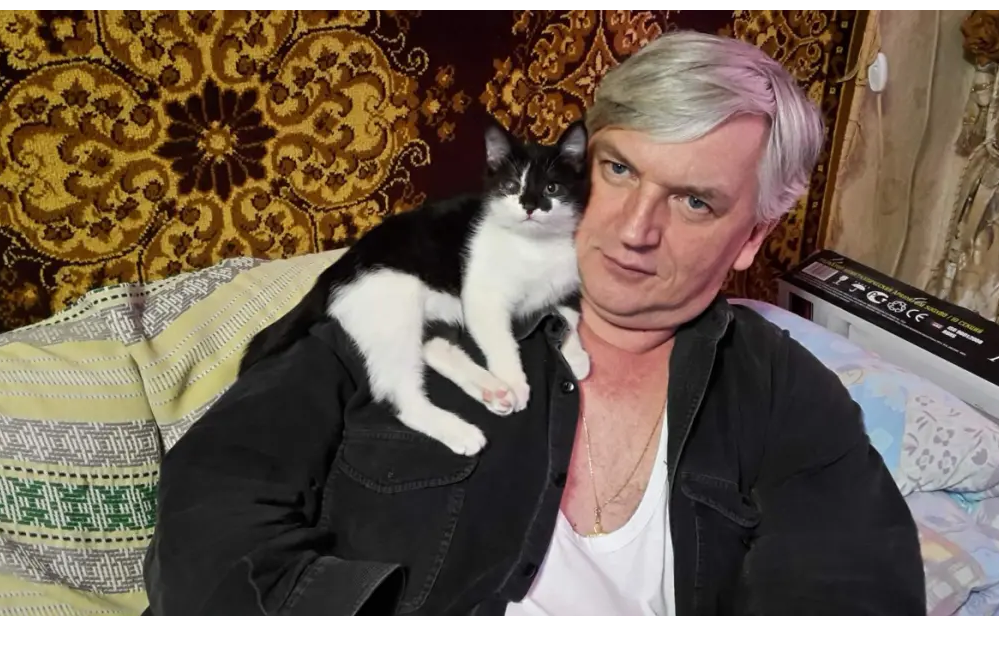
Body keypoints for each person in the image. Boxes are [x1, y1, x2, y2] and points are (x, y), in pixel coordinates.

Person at [143, 31, 926, 615]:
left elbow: (848, 601)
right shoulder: (418, 287)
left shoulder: (786, 396)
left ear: (752, 234)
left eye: (693, 201)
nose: (632, 229)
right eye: (618, 169)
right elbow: (213, 496)